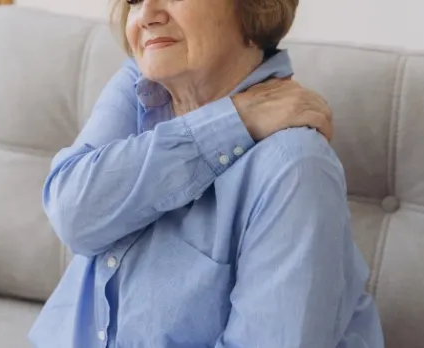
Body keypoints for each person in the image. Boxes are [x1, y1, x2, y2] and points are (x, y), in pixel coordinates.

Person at [29, 0, 385, 347]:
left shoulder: (296, 167)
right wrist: (234, 120)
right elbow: (72, 213)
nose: (147, 15)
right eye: (134, 0)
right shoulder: (142, 81)